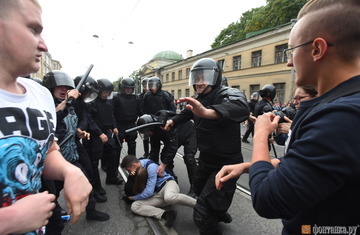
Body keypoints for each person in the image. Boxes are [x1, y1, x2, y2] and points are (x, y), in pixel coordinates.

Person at [216, 1, 360, 234]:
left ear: (317, 49)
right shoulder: (339, 106)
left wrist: (262, 133)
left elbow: (266, 199)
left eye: (291, 50)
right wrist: (247, 166)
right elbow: (308, 168)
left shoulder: (341, 117)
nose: (289, 61)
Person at [0, 0, 91, 234]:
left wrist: (69, 171)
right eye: (33, 29)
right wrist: (7, 221)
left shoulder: (39, 95)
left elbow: (46, 149)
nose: (43, 45)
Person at [163, 58, 249, 234]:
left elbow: (241, 107)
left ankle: (212, 220)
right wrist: (172, 121)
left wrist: (208, 113)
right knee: (199, 190)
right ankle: (219, 212)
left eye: (205, 77)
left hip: (226, 163)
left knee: (201, 212)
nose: (199, 82)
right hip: (206, 159)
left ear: (215, 78)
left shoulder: (227, 93)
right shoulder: (198, 99)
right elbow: (186, 113)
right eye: (197, 77)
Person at [42, 71, 110, 224]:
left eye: (67, 87)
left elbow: (72, 124)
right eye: (60, 87)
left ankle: (91, 211)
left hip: (73, 151)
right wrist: (66, 101)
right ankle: (53, 217)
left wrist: (79, 132)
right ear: (51, 87)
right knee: (53, 191)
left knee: (86, 179)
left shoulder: (71, 106)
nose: (64, 90)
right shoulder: (45, 107)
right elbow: (52, 120)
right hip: (55, 158)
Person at [120, 154, 196, 228]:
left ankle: (197, 204)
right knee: (135, 206)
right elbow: (128, 189)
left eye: (128, 170)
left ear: (133, 165)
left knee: (169, 197)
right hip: (158, 194)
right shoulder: (136, 168)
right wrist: (132, 178)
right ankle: (166, 214)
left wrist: (133, 198)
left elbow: (149, 192)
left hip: (167, 184)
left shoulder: (151, 167)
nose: (129, 172)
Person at [135, 111, 198, 196]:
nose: (148, 134)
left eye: (147, 132)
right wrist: (151, 168)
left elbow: (173, 147)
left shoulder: (165, 125)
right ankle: (171, 177)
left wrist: (164, 165)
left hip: (188, 133)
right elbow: (154, 151)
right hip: (174, 137)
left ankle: (195, 188)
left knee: (189, 158)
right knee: (164, 156)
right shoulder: (153, 131)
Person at [87, 78, 123, 186]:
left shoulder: (108, 102)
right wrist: (99, 133)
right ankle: (96, 186)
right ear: (98, 91)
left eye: (108, 92)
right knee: (95, 160)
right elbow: (90, 120)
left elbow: (111, 116)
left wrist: (114, 127)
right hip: (95, 134)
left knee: (112, 153)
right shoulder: (92, 103)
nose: (106, 94)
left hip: (107, 132)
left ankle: (111, 178)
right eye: (105, 92)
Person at [113, 77, 142, 157]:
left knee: (132, 147)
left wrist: (142, 124)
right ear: (122, 88)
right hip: (120, 125)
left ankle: (132, 166)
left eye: (130, 88)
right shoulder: (116, 98)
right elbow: (112, 113)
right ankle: (115, 167)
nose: (128, 90)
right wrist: (114, 127)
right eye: (126, 88)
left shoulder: (136, 98)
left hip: (132, 125)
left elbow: (141, 113)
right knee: (117, 147)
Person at [138, 77, 150, 157]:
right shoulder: (140, 96)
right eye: (145, 86)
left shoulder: (153, 95)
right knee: (145, 137)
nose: (146, 88)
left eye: (147, 86)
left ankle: (153, 152)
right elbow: (139, 108)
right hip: (144, 118)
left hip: (152, 118)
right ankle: (146, 152)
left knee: (154, 137)